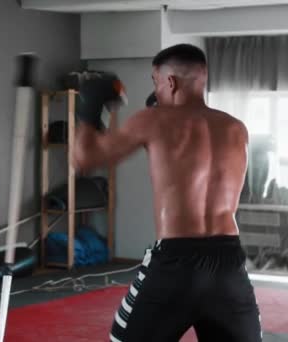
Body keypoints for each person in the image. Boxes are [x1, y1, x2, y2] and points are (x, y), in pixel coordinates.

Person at [72, 44, 262, 342]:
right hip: (228, 262)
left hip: (177, 262)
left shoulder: (153, 119)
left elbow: (84, 159)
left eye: (155, 81)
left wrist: (88, 109)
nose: (156, 90)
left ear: (170, 81)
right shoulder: (237, 129)